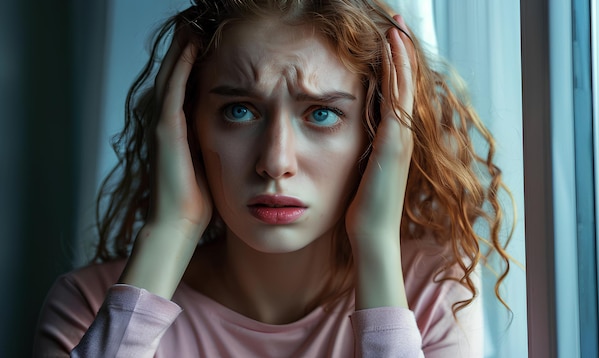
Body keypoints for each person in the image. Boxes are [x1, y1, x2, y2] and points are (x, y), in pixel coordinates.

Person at [34, 0, 512, 356]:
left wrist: (375, 245)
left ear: (379, 130)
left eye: (322, 114)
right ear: (184, 125)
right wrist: (169, 233)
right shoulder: (91, 306)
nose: (275, 161)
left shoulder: (429, 290)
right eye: (239, 110)